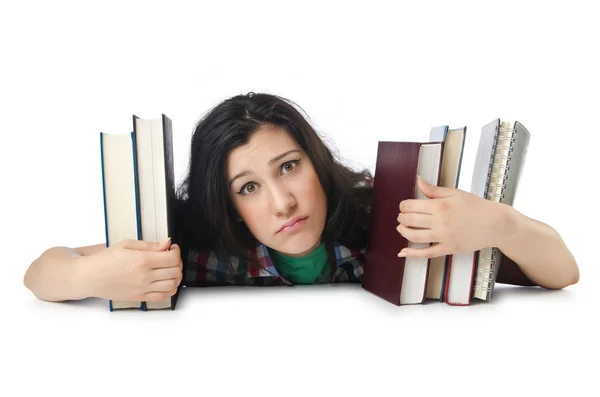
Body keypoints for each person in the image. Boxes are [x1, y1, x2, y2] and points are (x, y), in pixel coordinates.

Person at [23, 92, 580, 304]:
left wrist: (503, 225)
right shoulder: (195, 246)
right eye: (248, 188)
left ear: (316, 163)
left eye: (288, 167)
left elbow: (563, 272)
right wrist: (89, 279)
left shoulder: (383, 218)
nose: (283, 202)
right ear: (226, 204)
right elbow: (41, 271)